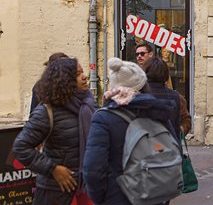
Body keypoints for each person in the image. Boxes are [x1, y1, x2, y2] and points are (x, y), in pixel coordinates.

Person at [83, 57, 178, 205]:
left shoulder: (103, 118)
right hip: (153, 192)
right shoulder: (157, 110)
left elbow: (93, 168)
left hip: (117, 195)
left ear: (114, 87)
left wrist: (99, 198)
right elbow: (173, 146)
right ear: (142, 84)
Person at [14, 57, 96, 205]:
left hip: (85, 187)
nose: (84, 77)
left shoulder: (88, 105)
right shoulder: (46, 112)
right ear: (64, 80)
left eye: (83, 72)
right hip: (56, 191)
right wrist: (53, 169)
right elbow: (21, 147)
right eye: (78, 74)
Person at [145, 57, 185, 136]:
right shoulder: (175, 96)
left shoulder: (141, 95)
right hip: (169, 142)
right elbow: (177, 126)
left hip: (147, 142)